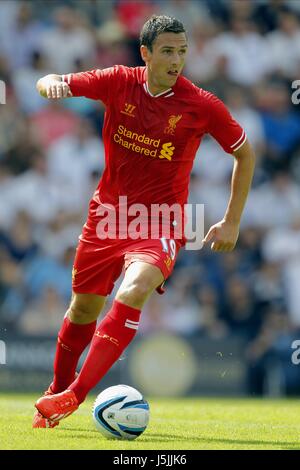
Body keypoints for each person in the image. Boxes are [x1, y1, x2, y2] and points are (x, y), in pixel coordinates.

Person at [33, 15, 255, 428]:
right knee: (82, 310)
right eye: (168, 51)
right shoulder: (118, 81)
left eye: (183, 52)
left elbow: (244, 154)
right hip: (108, 217)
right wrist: (51, 85)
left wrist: (231, 221)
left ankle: (75, 395)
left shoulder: (202, 105)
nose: (177, 60)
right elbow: (53, 79)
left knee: (135, 289)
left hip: (160, 222)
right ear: (146, 53)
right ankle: (55, 392)